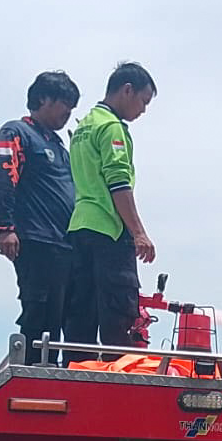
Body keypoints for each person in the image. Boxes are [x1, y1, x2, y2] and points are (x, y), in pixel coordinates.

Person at [64, 61, 157, 360]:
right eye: (143, 101)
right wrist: (139, 233)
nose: (143, 111)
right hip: (108, 230)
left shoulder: (85, 125)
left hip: (79, 229)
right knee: (119, 316)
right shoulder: (111, 127)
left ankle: (77, 374)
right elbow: (118, 181)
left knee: (80, 315)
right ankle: (120, 379)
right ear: (127, 90)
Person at [0, 70, 80, 365]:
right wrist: (5, 228)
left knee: (60, 316)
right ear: (42, 99)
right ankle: (32, 373)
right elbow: (3, 177)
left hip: (65, 245)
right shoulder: (16, 133)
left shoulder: (58, 146)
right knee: (39, 314)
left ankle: (54, 370)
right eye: (64, 102)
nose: (68, 111)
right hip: (37, 241)